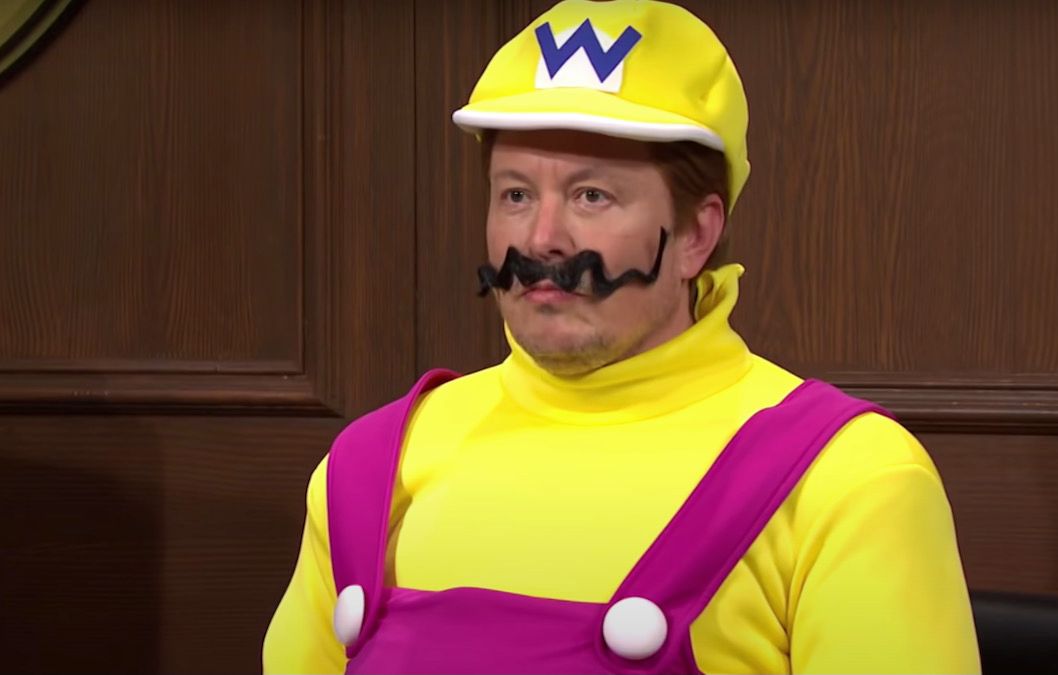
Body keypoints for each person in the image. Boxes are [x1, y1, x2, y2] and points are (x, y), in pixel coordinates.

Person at [263, 1, 980, 673]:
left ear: (696, 234)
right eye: (516, 194)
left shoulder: (850, 479)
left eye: (591, 195)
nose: (541, 239)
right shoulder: (369, 467)